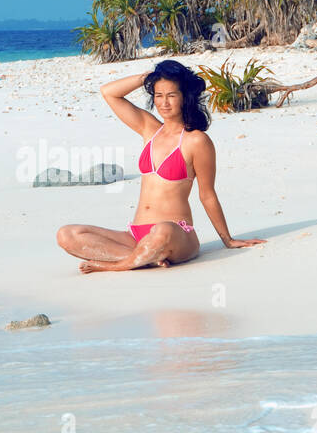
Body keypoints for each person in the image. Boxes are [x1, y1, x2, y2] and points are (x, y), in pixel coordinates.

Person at [56, 59, 267, 273]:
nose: (164, 103)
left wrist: (228, 240)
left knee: (162, 230)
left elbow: (207, 195)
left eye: (171, 95)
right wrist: (149, 77)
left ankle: (119, 265)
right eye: (158, 95)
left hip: (176, 236)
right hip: (136, 236)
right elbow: (109, 92)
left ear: (185, 98)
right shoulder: (149, 130)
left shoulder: (196, 141)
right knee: (67, 234)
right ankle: (144, 257)